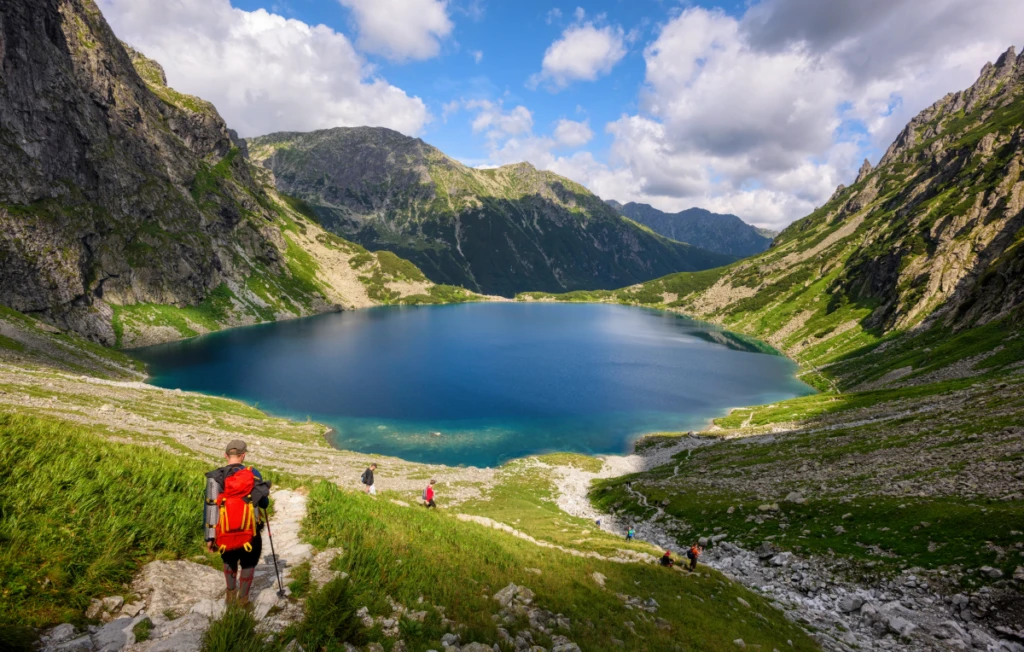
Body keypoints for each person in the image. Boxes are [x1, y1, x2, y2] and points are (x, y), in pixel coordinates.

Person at [204, 440, 270, 605]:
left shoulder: (215, 477)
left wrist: (210, 538)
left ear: (226, 455)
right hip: (250, 529)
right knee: (248, 562)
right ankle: (244, 600)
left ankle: (230, 595)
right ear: (244, 455)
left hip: (224, 530)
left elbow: (211, 507)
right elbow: (263, 503)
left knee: (229, 560)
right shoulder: (253, 473)